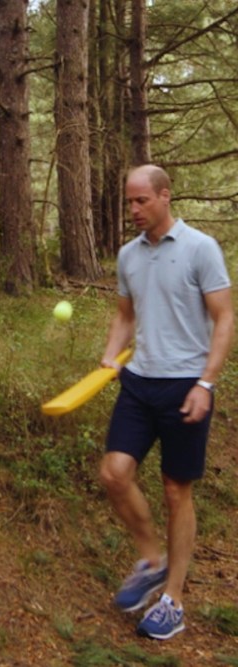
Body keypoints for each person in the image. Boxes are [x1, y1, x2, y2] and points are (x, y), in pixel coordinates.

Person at [99, 164, 233, 640]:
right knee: (114, 472)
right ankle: (151, 560)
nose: (133, 210)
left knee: (177, 492)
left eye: (141, 201)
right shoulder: (128, 256)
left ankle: (173, 599)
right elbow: (124, 315)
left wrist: (206, 383)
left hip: (185, 385)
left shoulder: (200, 249)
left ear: (164, 196)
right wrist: (111, 355)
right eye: (129, 202)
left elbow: (224, 319)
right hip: (139, 382)